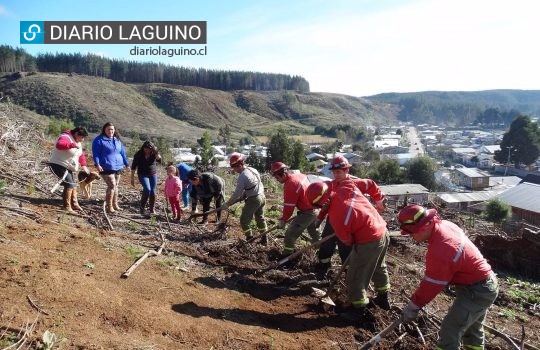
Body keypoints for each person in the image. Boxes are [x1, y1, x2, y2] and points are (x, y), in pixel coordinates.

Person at [397, 205, 498, 350]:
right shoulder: (445, 225)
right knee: (472, 331)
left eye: (412, 233)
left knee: (450, 330)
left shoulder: (442, 250)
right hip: (483, 284)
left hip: (477, 290)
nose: (411, 237)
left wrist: (413, 306)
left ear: (426, 226)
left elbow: (431, 285)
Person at [306, 180, 391, 322]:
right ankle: (383, 299)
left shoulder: (337, 217)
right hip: (382, 231)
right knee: (378, 266)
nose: (322, 207)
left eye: (319, 205)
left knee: (354, 276)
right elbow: (368, 184)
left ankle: (358, 310)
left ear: (323, 201)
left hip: (368, 240)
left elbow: (347, 241)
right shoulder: (345, 186)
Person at [316, 155, 385, 280]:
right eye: (334, 172)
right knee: (326, 244)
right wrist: (320, 218)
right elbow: (326, 205)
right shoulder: (331, 186)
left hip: (349, 223)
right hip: (333, 221)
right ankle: (323, 268)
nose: (336, 175)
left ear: (346, 170)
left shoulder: (355, 183)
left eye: (338, 172)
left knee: (345, 248)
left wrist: (379, 202)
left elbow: (371, 184)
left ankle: (349, 274)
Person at [270, 162, 321, 256]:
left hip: (307, 212)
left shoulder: (290, 184)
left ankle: (287, 257)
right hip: (315, 208)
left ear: (283, 174)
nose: (276, 180)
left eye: (277, 177)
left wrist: (283, 220)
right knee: (314, 233)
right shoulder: (299, 175)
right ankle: (322, 253)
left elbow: (289, 207)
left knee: (290, 235)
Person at [219, 153, 267, 239]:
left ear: (238, 166)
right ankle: (264, 239)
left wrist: (228, 204)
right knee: (260, 218)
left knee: (244, 221)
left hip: (254, 199)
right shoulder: (252, 169)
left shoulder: (242, 176)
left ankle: (249, 238)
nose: (234, 169)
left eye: (234, 167)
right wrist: (244, 194)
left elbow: (236, 194)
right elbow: (256, 183)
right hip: (262, 196)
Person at [48, 127, 90, 212]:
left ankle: (74, 204)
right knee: (69, 185)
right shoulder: (65, 137)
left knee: (73, 184)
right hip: (58, 164)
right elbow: (59, 145)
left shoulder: (77, 142)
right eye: (82, 137)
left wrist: (84, 166)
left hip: (67, 167)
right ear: (76, 134)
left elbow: (80, 155)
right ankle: (66, 206)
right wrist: (71, 145)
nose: (82, 140)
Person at [91, 122, 129, 213]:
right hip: (106, 166)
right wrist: (97, 164)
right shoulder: (99, 140)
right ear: (104, 130)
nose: (110, 131)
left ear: (114, 130)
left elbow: (122, 153)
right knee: (112, 185)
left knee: (116, 186)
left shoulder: (117, 140)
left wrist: (127, 164)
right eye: (108, 129)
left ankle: (115, 205)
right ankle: (109, 206)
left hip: (118, 166)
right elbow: (95, 154)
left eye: (112, 129)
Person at [131, 141, 161, 215]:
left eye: (149, 149)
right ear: (143, 148)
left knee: (153, 191)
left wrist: (156, 151)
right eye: (145, 148)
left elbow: (159, 160)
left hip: (152, 174)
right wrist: (132, 178)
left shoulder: (154, 153)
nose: (147, 150)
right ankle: (142, 208)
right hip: (142, 174)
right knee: (147, 189)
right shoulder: (138, 154)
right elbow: (133, 167)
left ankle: (152, 209)